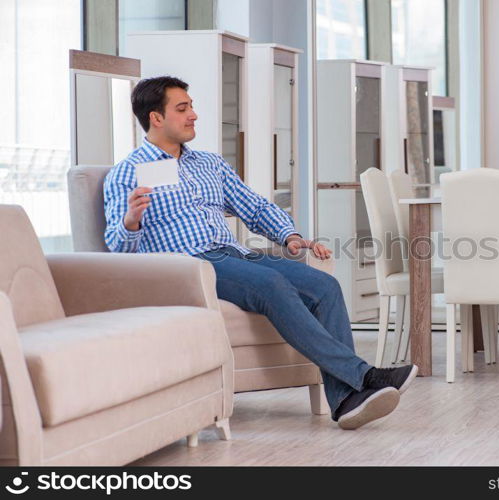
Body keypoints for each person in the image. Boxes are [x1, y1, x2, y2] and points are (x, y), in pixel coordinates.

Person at [103, 76, 417, 430]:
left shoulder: (208, 164)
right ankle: (365, 376)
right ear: (155, 118)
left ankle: (345, 401)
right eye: (182, 108)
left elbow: (253, 206)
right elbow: (116, 247)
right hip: (188, 266)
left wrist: (289, 235)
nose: (194, 115)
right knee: (270, 283)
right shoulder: (127, 173)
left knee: (325, 286)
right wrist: (131, 220)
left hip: (235, 255)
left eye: (191, 106)